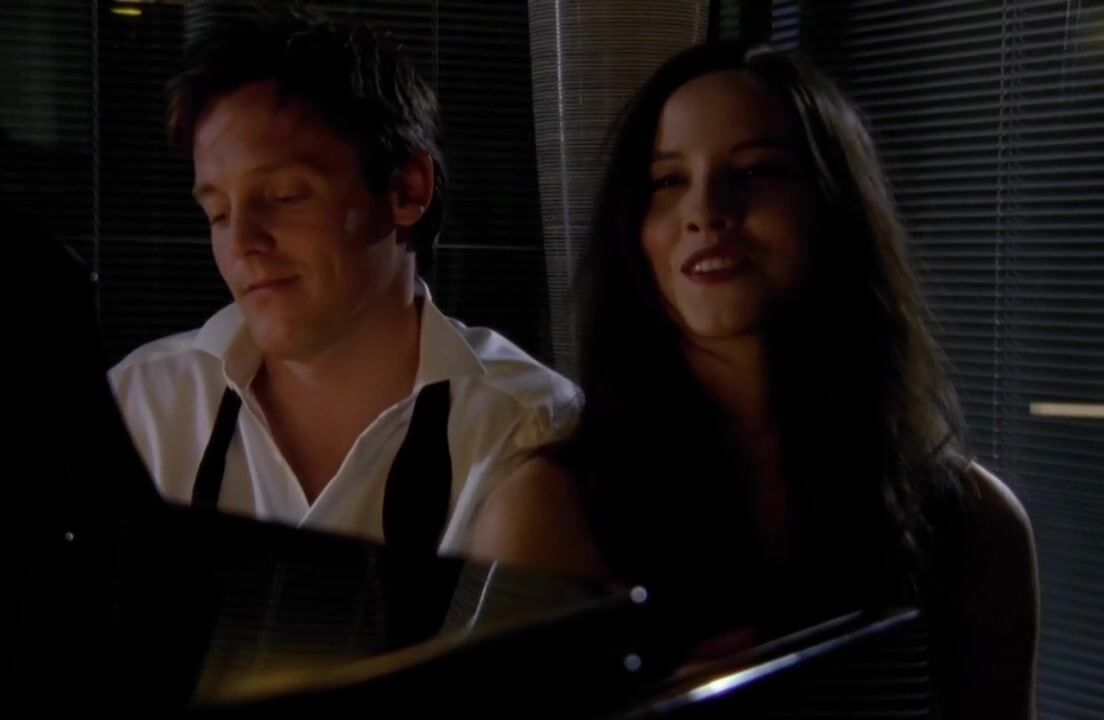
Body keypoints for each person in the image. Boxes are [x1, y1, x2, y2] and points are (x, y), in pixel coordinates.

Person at [469, 41, 1039, 718]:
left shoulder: (974, 523)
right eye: (667, 180)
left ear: (835, 207)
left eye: (755, 171)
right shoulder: (550, 512)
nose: (706, 211)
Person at [109, 15, 579, 558]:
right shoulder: (139, 408)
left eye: (284, 196)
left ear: (406, 190)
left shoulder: (526, 431)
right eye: (217, 213)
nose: (241, 242)